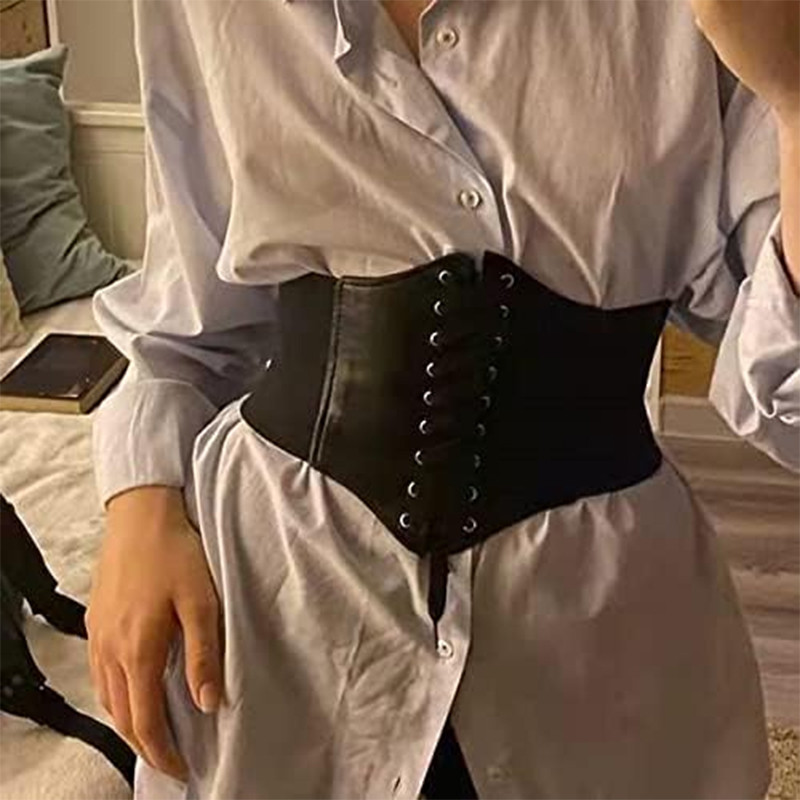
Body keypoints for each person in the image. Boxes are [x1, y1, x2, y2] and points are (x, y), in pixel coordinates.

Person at [86, 0, 800, 798]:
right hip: (278, 606)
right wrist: (140, 510)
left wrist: (796, 98)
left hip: (595, 632)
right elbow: (188, 313)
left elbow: (788, 394)